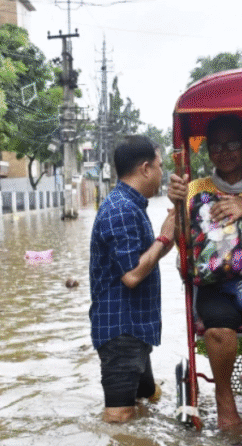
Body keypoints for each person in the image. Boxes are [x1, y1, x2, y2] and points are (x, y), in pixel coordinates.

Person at [167, 114, 242, 431]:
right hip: (216, 285)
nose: (224, 152)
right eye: (216, 146)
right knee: (219, 331)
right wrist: (178, 207)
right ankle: (224, 396)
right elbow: (183, 242)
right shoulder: (194, 190)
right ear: (208, 152)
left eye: (232, 144)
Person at [90, 135, 175, 423]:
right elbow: (132, 275)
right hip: (121, 328)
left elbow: (148, 258)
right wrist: (163, 237)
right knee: (119, 415)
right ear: (146, 168)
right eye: (160, 166)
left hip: (134, 326)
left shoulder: (130, 205)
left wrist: (168, 236)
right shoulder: (121, 210)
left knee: (141, 404)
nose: (162, 173)